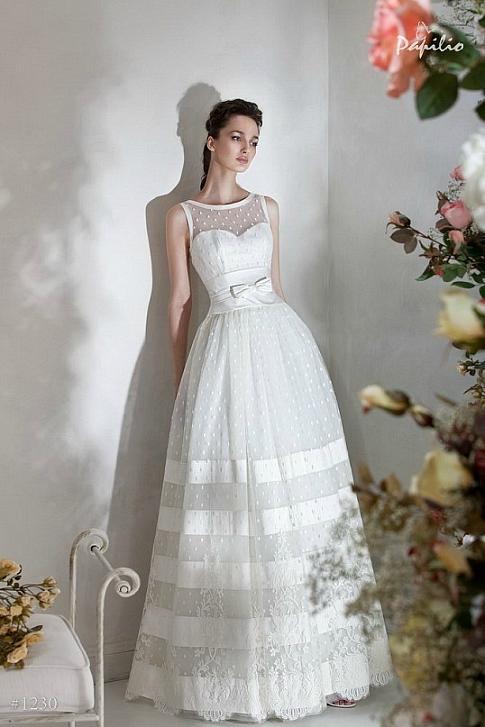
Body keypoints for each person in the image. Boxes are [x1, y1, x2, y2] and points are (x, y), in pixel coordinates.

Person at [125, 98, 394, 722]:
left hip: (281, 350)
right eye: (237, 137)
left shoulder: (268, 207)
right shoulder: (180, 215)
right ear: (210, 140)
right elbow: (179, 303)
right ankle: (233, 671)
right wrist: (180, 379)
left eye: (254, 141)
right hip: (222, 353)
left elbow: (277, 287)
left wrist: (294, 365)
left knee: (299, 500)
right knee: (233, 498)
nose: (246, 150)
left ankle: (327, 662)